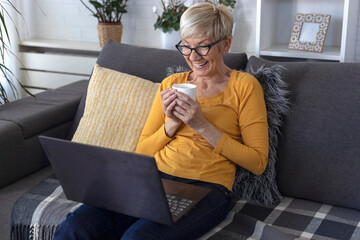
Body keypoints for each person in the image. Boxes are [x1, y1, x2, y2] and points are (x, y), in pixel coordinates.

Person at [54, 2, 268, 240]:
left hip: (207, 187)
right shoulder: (172, 83)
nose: (193, 56)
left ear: (225, 44)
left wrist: (201, 125)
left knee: (138, 238)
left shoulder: (245, 86)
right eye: (186, 46)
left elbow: (257, 161)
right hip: (152, 180)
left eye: (203, 47)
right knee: (76, 226)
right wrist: (172, 124)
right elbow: (143, 149)